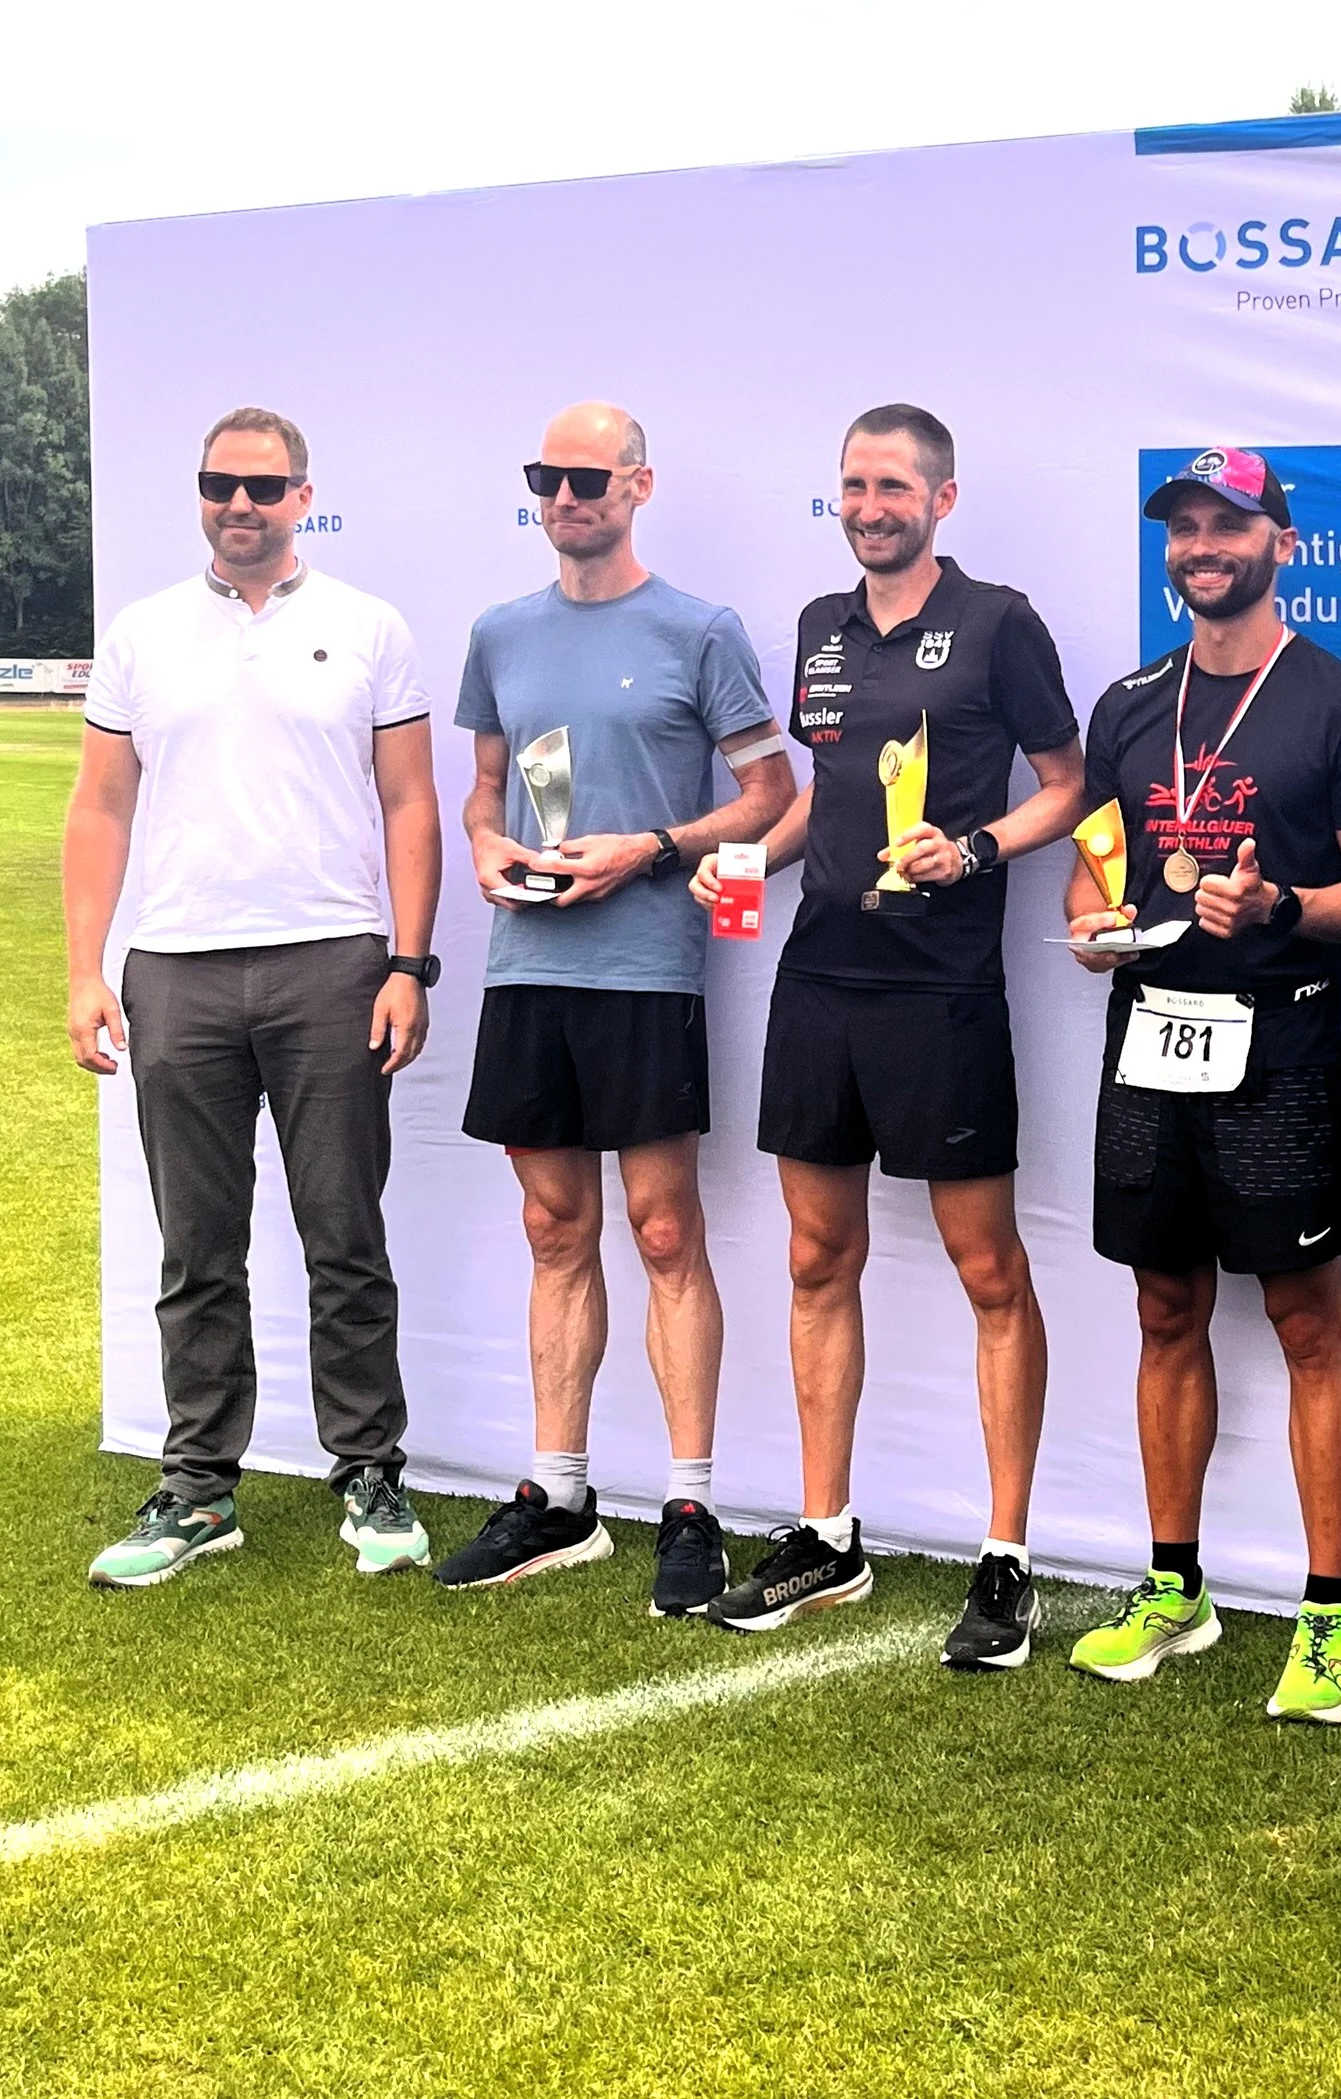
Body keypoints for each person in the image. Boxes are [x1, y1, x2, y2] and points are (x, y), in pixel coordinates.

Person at [688, 404, 1085, 1668]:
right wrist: (744, 857)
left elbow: (1070, 784)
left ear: (941, 499)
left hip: (942, 986)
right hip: (821, 976)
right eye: (854, 486)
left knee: (989, 1270)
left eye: (893, 487)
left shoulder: (1001, 621)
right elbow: (823, 794)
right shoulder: (820, 626)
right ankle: (828, 1534)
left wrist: (978, 847)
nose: (869, 507)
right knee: (816, 1257)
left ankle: (1007, 1555)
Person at [1060, 446, 1341, 1724]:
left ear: (1283, 543)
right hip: (1149, 1033)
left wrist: (1281, 905)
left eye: (1230, 523)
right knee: (1164, 1307)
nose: (1203, 545)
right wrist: (1092, 920)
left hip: (1280, 1039)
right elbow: (1097, 859)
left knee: (1306, 1320)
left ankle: (1328, 1617)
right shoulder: (1130, 702)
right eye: (1185, 526)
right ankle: (1176, 1588)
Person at [66, 406, 443, 1586]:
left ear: (302, 499)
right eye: (221, 484)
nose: (241, 504)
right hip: (176, 968)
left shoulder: (367, 626)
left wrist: (408, 963)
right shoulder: (141, 633)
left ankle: (369, 1469)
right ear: (200, 494)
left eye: (265, 487)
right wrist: (84, 968)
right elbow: (101, 807)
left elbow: (411, 803)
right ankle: (197, 1487)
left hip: (333, 961)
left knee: (345, 1235)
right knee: (197, 1247)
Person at [433, 402, 795, 1613]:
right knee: (552, 1227)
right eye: (547, 475)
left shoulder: (700, 628)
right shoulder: (500, 631)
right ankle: (560, 1494)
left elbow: (770, 792)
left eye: (589, 477)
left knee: (664, 1229)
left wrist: (650, 846)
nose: (565, 496)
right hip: (528, 967)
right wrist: (487, 848)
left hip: (646, 968)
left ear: (640, 484)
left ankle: (690, 1503)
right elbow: (485, 790)